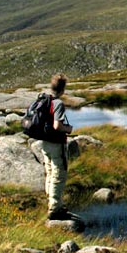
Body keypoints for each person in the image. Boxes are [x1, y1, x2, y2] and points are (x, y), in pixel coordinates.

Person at [41, 73, 75, 220]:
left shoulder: (44, 99)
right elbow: (57, 125)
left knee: (49, 171)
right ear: (63, 88)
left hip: (44, 143)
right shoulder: (58, 103)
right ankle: (55, 208)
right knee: (59, 174)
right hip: (56, 144)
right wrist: (68, 129)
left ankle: (51, 200)